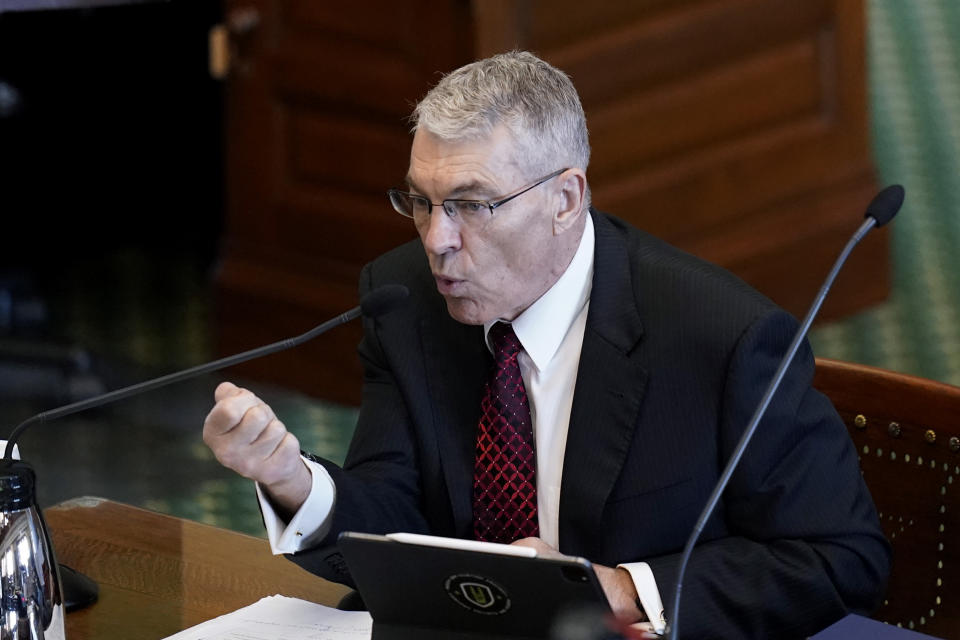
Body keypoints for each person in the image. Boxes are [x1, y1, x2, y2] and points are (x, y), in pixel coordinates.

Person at [203, 51, 890, 638]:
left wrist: (622, 587)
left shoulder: (722, 337)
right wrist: (294, 481)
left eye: (472, 205)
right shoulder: (405, 298)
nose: (437, 240)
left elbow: (842, 557)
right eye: (420, 201)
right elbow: (395, 520)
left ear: (566, 199)